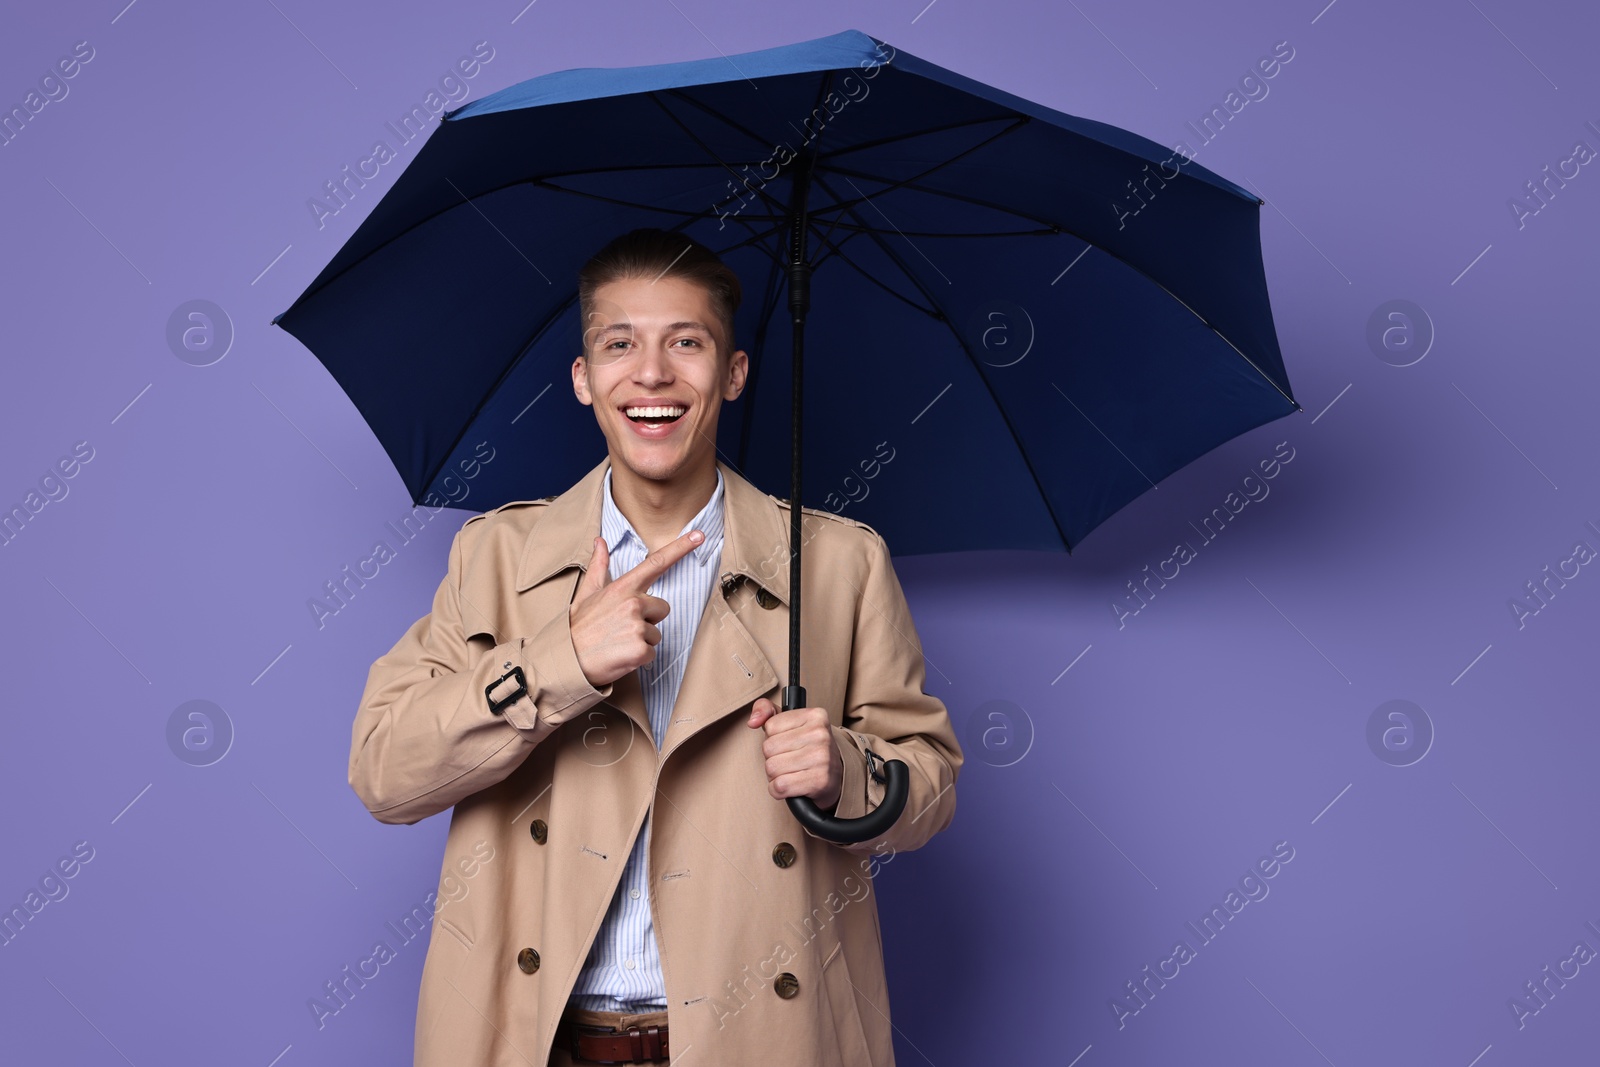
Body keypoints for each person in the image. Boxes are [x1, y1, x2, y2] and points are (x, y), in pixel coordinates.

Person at [348, 227, 962, 1067]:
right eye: (618, 343)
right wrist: (558, 658)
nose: (652, 373)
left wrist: (845, 769)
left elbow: (929, 784)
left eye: (687, 342)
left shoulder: (839, 565)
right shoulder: (495, 557)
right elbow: (386, 772)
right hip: (542, 1039)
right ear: (584, 379)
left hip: (761, 1039)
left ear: (735, 373)